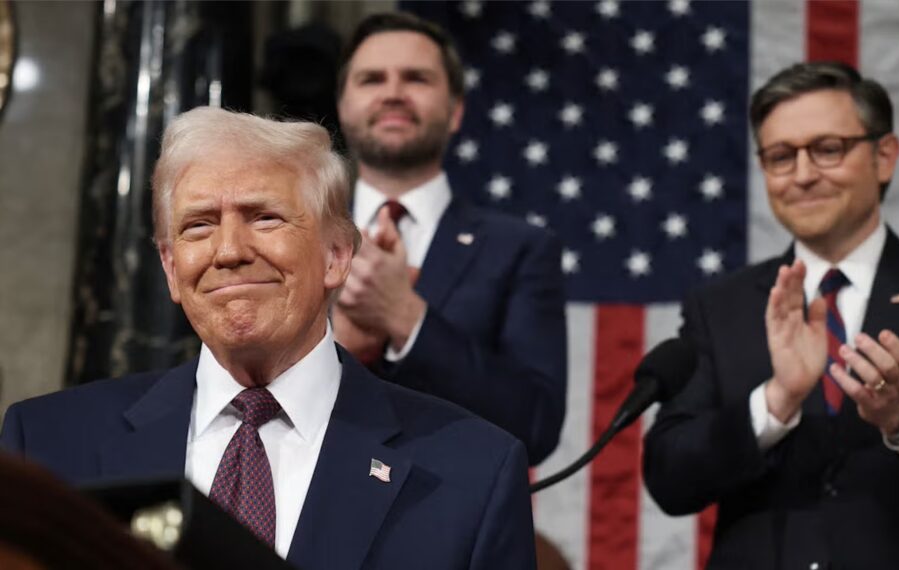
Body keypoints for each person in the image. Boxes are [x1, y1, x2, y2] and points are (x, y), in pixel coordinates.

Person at [1, 107, 537, 570]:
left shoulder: (472, 474)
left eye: (264, 217)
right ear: (169, 267)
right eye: (198, 226)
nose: (229, 250)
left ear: (337, 255)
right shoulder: (45, 446)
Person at [643, 62, 899, 569]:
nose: (802, 175)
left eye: (827, 149)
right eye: (781, 157)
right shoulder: (721, 306)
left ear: (884, 156)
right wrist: (775, 404)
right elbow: (670, 479)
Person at [332, 12, 567, 466]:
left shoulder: (520, 248)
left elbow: (534, 427)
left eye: (416, 78)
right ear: (343, 106)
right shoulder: (293, 239)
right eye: (371, 79)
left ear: (456, 111)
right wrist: (333, 348)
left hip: (446, 525)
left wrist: (405, 316)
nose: (393, 93)